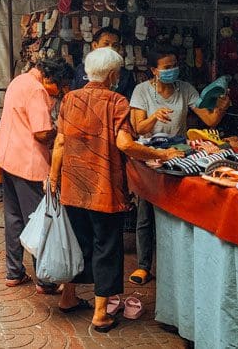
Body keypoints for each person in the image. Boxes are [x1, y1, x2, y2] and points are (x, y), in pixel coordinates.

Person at [49, 49, 183, 332]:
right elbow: (124, 144)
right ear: (112, 74)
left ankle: (68, 296)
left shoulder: (70, 99)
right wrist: (161, 154)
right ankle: (101, 314)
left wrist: (53, 178)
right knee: (106, 246)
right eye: (117, 73)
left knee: (78, 242)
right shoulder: (116, 101)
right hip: (104, 188)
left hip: (73, 185)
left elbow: (60, 142)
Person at [128, 47, 231, 286]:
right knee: (145, 212)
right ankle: (143, 266)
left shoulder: (185, 89)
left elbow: (210, 120)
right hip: (150, 156)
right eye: (167, 67)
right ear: (153, 70)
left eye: (174, 65)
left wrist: (221, 107)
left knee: (176, 211)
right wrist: (154, 117)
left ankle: (175, 265)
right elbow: (138, 128)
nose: (172, 70)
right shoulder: (142, 91)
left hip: (178, 154)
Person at [0, 58, 74, 295]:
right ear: (50, 78)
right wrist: (59, 132)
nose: (60, 92)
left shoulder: (19, 80)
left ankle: (14, 272)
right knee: (38, 221)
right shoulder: (37, 90)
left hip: (7, 158)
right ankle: (45, 279)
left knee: (13, 218)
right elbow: (41, 133)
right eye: (60, 86)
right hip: (28, 162)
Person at [71, 28, 136, 99]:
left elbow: (129, 100)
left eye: (115, 45)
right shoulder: (81, 69)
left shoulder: (126, 75)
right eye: (106, 44)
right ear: (95, 45)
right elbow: (74, 95)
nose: (110, 48)